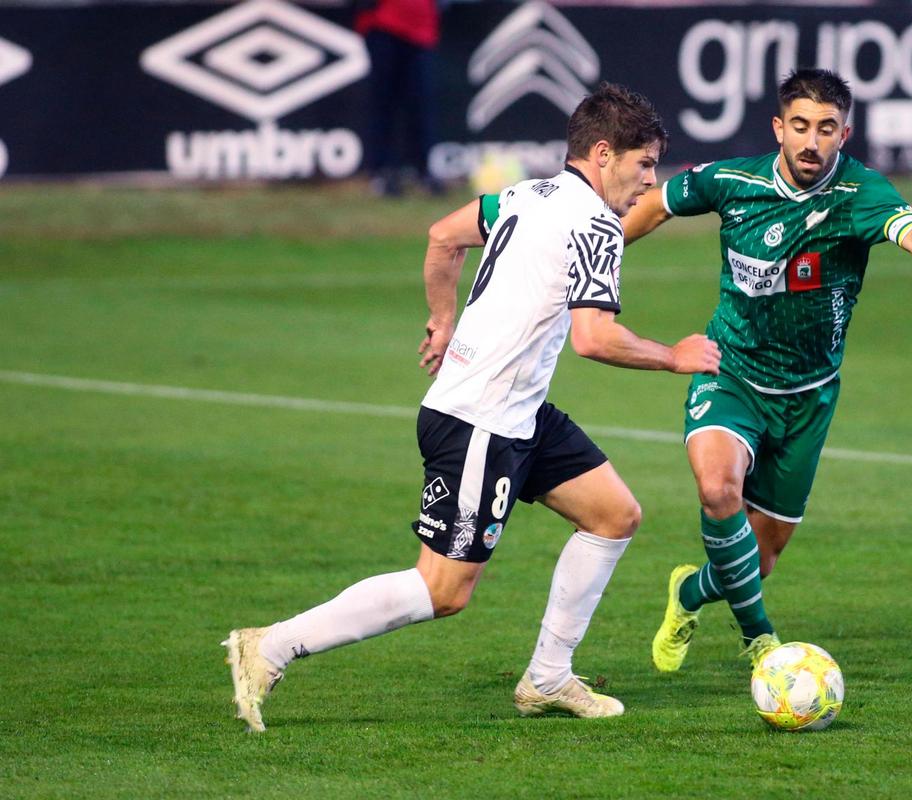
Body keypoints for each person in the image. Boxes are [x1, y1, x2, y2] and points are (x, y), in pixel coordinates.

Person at [222, 83, 721, 731]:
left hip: (514, 410)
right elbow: (594, 338)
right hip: (483, 422)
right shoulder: (594, 222)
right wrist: (673, 356)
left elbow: (441, 236)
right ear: (603, 153)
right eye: (644, 164)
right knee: (443, 589)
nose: (650, 180)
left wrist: (440, 320)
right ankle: (270, 646)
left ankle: (547, 678)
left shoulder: (523, 195)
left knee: (613, 515)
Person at [620, 68, 912, 672]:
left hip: (808, 397)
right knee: (716, 488)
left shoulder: (861, 194)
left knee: (760, 559)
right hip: (729, 372)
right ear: (779, 127)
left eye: (826, 129)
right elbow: (656, 203)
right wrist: (599, 250)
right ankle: (761, 641)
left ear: (845, 133)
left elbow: (911, 228)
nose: (812, 141)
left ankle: (689, 592)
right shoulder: (733, 181)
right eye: (801, 126)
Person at [355, 0, 442, 196]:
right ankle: (381, 171)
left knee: (421, 104)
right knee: (383, 102)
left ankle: (422, 170)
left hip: (422, 26)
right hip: (383, 23)